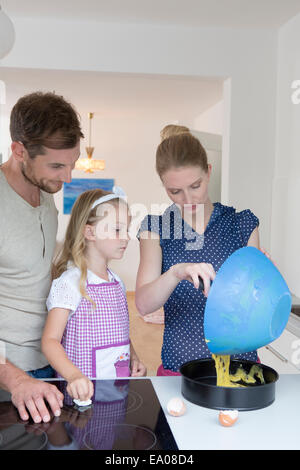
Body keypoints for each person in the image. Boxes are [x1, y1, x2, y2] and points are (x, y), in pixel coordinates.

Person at [135, 132, 260, 376]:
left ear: (209, 172)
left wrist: (263, 282)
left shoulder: (241, 224)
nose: (189, 199)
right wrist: (174, 273)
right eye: (175, 191)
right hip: (179, 370)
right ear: (163, 185)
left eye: (195, 186)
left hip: (239, 369)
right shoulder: (156, 228)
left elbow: (254, 305)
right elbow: (143, 304)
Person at [0, 91, 83, 422]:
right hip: (10, 379)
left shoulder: (45, 195)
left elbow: (38, 274)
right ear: (19, 151)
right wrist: (16, 380)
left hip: (48, 363)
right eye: (57, 165)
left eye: (72, 164)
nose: (68, 178)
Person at [42, 187, 146, 402]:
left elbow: (120, 331)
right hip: (81, 397)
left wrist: (133, 357)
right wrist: (74, 376)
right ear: (89, 233)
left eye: (126, 230)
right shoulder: (70, 283)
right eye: (117, 230)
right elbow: (50, 341)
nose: (126, 237)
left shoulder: (116, 281)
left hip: (115, 391)